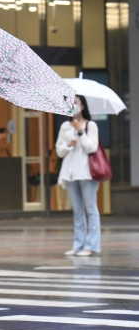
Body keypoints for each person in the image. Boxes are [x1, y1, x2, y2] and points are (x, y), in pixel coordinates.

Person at [56, 95, 100, 257]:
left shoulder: (91, 126)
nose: (73, 106)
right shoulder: (65, 127)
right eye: (71, 103)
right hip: (70, 173)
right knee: (77, 211)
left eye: (76, 103)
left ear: (82, 106)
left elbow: (92, 148)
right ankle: (78, 244)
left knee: (91, 209)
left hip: (87, 173)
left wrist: (80, 133)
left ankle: (92, 245)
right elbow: (59, 151)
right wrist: (68, 145)